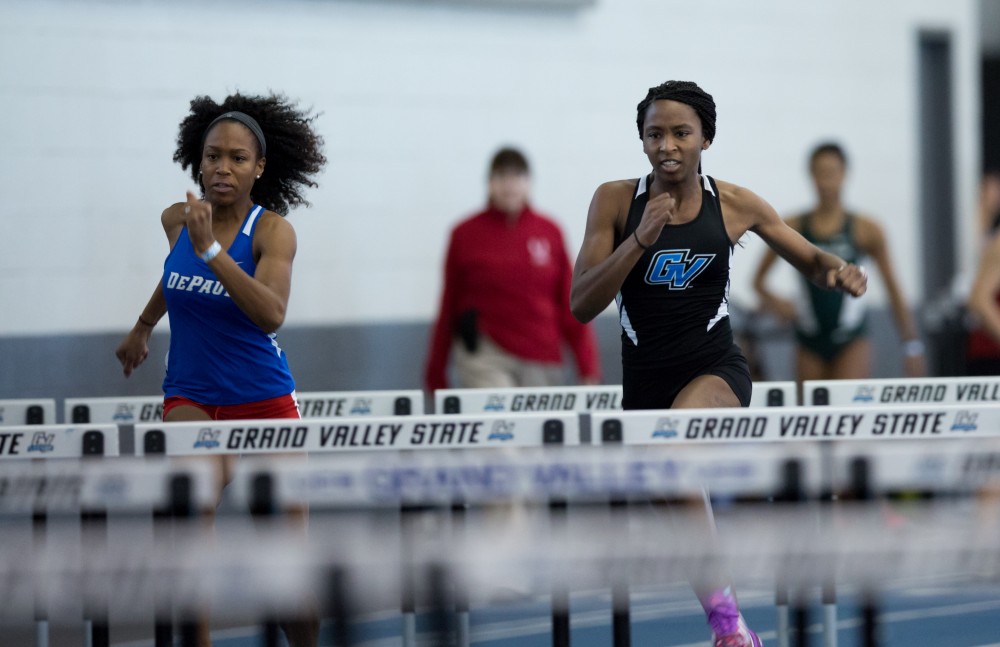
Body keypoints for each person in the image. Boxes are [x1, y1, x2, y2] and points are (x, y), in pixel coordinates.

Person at [569, 80, 867, 647]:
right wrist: (638, 240)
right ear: (642, 140)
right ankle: (733, 624)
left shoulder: (734, 203)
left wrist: (837, 270)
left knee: (672, 456)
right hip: (644, 386)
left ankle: (728, 630)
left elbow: (807, 255)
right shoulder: (614, 201)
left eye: (681, 133)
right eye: (655, 134)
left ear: (706, 137)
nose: (667, 146)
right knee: (681, 513)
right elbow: (581, 303)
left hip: (715, 370)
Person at [115, 92, 325, 647]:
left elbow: (270, 314)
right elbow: (175, 276)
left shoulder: (273, 232)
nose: (221, 168)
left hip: (264, 404)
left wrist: (213, 251)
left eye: (236, 158)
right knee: (188, 547)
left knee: (285, 575)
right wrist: (142, 325)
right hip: (191, 396)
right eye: (212, 156)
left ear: (259, 167)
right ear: (197, 160)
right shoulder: (176, 220)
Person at [424, 147, 601, 392]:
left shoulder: (549, 231)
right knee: (500, 422)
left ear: (528, 183)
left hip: (542, 353)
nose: (509, 185)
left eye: (516, 177)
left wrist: (588, 365)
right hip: (485, 354)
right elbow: (448, 304)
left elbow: (571, 301)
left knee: (538, 428)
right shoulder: (464, 234)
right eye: (501, 177)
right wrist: (435, 373)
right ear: (489, 183)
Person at [752, 142, 925, 384]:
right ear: (811, 175)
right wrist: (778, 304)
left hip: (851, 340)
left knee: (845, 411)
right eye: (820, 173)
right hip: (809, 340)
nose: (826, 182)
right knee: (810, 415)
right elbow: (758, 281)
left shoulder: (866, 229)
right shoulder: (793, 226)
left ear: (844, 174)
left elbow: (893, 287)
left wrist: (911, 344)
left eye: (832, 173)